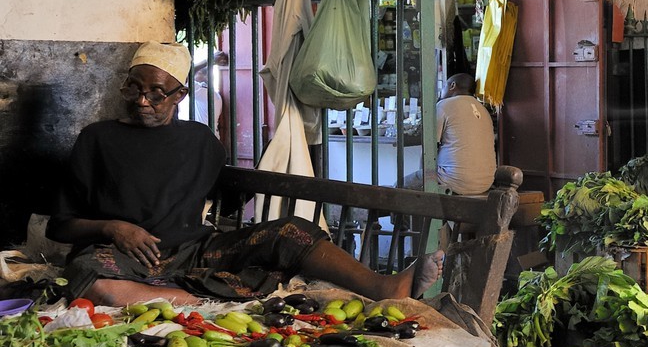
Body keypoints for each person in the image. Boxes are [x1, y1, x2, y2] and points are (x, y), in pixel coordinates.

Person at [48, 42, 442, 306]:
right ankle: (186, 300)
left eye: (156, 92)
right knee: (85, 272)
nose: (143, 101)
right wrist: (114, 228)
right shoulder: (97, 139)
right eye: (133, 89)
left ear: (180, 95)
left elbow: (226, 196)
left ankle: (384, 286)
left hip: (193, 253)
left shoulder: (201, 141)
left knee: (293, 230)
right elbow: (60, 227)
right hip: (123, 257)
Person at [404, 73, 497, 195]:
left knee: (399, 187)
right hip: (486, 182)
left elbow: (429, 146)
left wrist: (424, 174)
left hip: (453, 180)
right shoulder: (483, 109)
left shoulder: (444, 105)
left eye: (444, 87)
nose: (442, 91)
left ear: (452, 85)